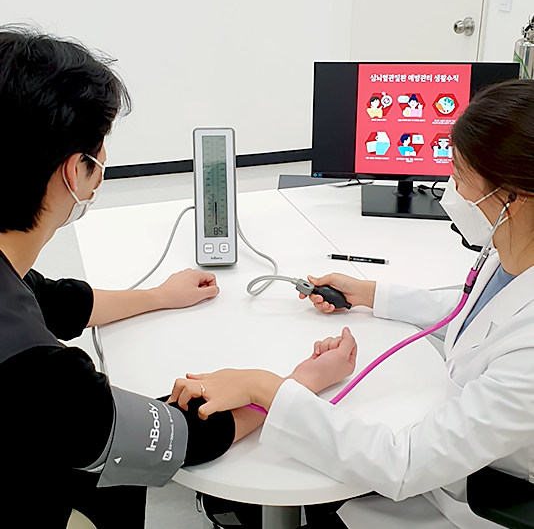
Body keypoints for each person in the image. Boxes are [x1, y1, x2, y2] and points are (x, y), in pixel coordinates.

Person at [171, 79, 534, 529]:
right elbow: (470, 312)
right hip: (443, 447)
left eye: (459, 177)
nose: (449, 190)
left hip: (467, 494)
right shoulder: (512, 251)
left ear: (514, 198)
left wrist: (266, 387)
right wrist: (368, 293)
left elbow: (403, 464)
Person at [0, 26, 279, 528]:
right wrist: (281, 390)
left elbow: (57, 301)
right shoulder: (38, 373)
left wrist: (159, 296)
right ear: (75, 171)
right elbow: (178, 436)